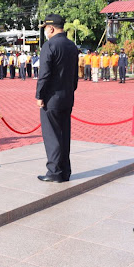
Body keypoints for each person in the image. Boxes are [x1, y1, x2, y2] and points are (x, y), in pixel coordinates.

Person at [36, 14, 78, 183]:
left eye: (45, 28)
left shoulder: (49, 45)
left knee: (52, 135)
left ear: (51, 28)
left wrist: (39, 95)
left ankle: (54, 171)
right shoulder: (72, 46)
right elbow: (75, 76)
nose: (45, 31)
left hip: (51, 98)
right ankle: (64, 172)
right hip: (67, 96)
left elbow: (44, 74)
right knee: (64, 134)